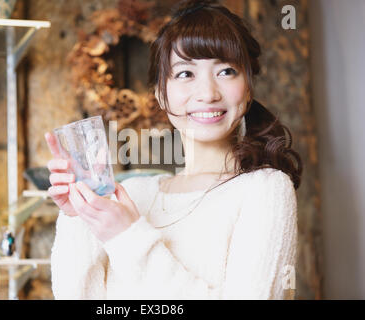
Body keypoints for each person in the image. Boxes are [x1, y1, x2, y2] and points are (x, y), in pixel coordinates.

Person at [45, 0, 303, 300]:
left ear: (248, 88)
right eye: (185, 74)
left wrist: (128, 237)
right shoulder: (134, 195)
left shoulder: (265, 189)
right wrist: (78, 217)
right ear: (161, 95)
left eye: (227, 71)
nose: (208, 93)